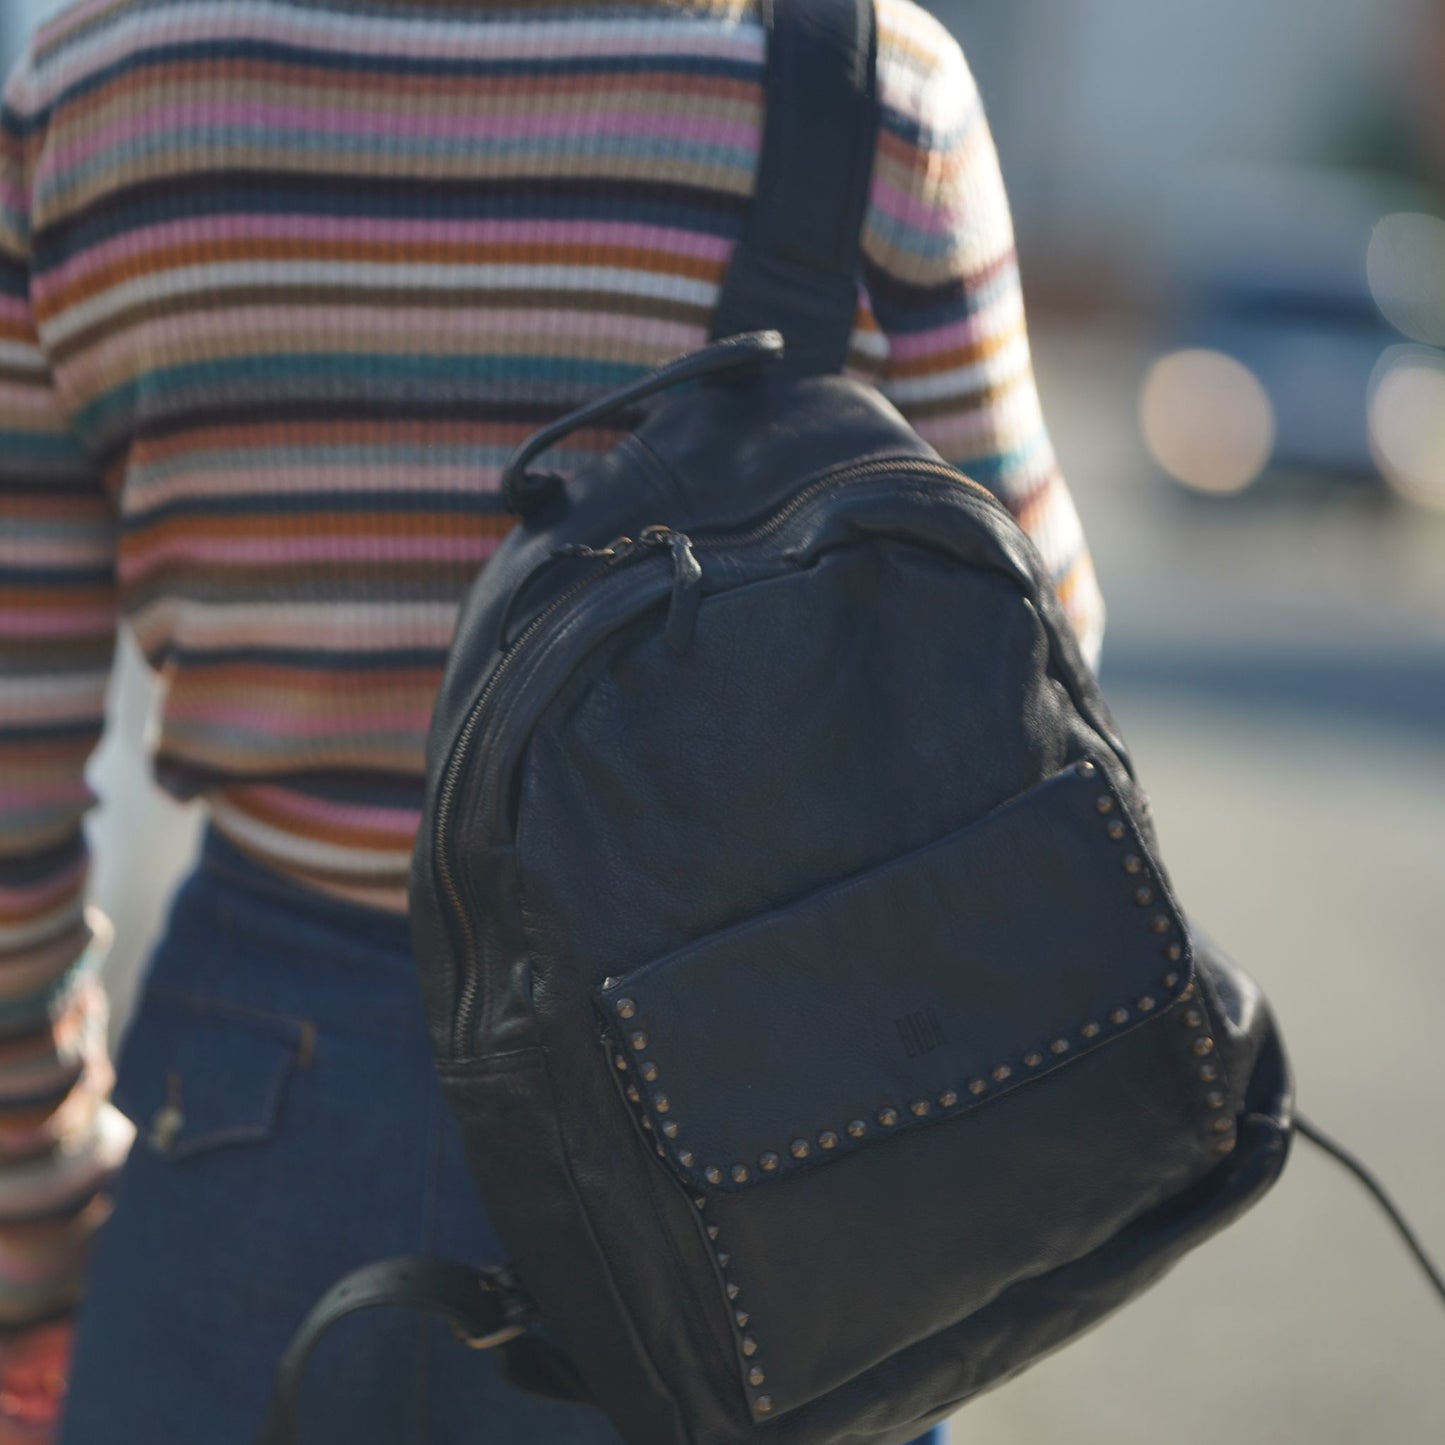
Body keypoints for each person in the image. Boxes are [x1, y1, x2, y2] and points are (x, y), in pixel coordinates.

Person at [0, 0, 1104, 1439]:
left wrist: (35, 1211)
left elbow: (14, 750)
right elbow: (1035, 656)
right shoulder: (861, 86)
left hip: (253, 1109)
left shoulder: (96, 86)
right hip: (741, 1131)